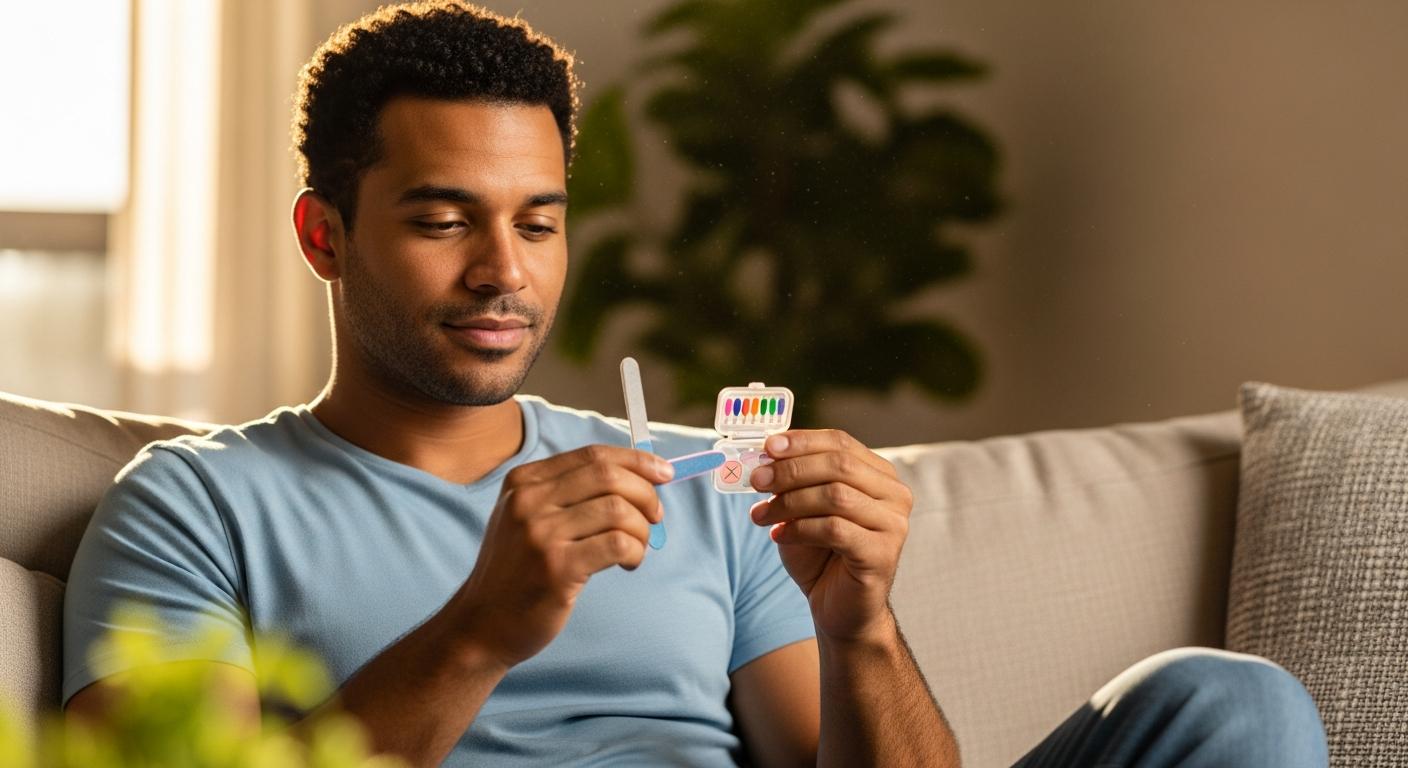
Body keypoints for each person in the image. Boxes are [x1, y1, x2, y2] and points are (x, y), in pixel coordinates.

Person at [62, 2, 1329, 766]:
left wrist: (863, 629)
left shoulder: (701, 482)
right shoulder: (194, 507)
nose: (504, 269)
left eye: (540, 222)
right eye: (445, 220)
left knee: (1225, 704)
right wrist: (481, 629)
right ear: (324, 235)